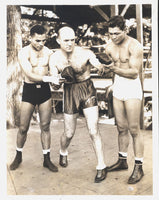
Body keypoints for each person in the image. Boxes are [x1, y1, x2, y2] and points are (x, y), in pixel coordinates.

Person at [49, 25, 110, 183]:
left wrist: (100, 67)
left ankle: (101, 165)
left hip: (87, 89)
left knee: (93, 129)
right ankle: (63, 151)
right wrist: (56, 82)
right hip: (70, 93)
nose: (70, 43)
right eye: (66, 40)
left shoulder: (85, 53)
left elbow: (96, 62)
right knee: (69, 133)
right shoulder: (54, 58)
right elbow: (54, 83)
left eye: (72, 40)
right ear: (58, 40)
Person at [9, 25, 59, 172]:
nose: (40, 43)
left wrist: (55, 80)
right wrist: (49, 78)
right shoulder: (24, 52)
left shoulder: (49, 52)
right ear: (30, 37)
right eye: (37, 40)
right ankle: (18, 156)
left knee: (45, 126)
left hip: (44, 91)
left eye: (43, 40)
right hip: (29, 90)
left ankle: (47, 159)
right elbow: (30, 75)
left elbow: (53, 71)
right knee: (23, 127)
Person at [105, 15, 144, 184]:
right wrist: (107, 75)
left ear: (125, 30)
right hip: (118, 86)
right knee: (121, 127)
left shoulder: (135, 46)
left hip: (132, 87)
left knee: (134, 129)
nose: (113, 37)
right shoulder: (109, 47)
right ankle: (122, 161)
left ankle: (139, 166)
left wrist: (113, 69)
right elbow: (111, 69)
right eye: (111, 33)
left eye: (117, 33)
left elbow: (134, 72)